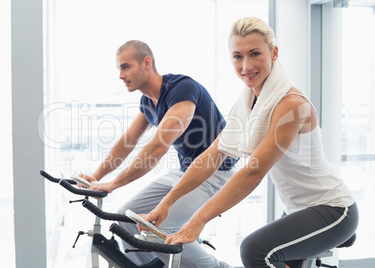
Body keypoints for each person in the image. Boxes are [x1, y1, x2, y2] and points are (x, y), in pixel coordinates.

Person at [144, 17, 359, 268]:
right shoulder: (246, 103)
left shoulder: (291, 104)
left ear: (274, 53)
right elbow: (213, 155)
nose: (246, 65)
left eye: (255, 54)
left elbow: (253, 171)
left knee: (254, 251)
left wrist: (199, 219)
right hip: (296, 209)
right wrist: (168, 201)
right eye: (238, 56)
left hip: (333, 209)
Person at [80, 40, 237, 268]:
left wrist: (113, 184)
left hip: (215, 172)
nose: (121, 75)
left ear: (146, 63)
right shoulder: (148, 102)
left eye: (126, 67)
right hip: (185, 171)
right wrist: (97, 177)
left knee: (161, 228)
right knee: (127, 219)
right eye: (119, 69)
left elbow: (157, 147)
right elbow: (128, 142)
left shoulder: (182, 89)